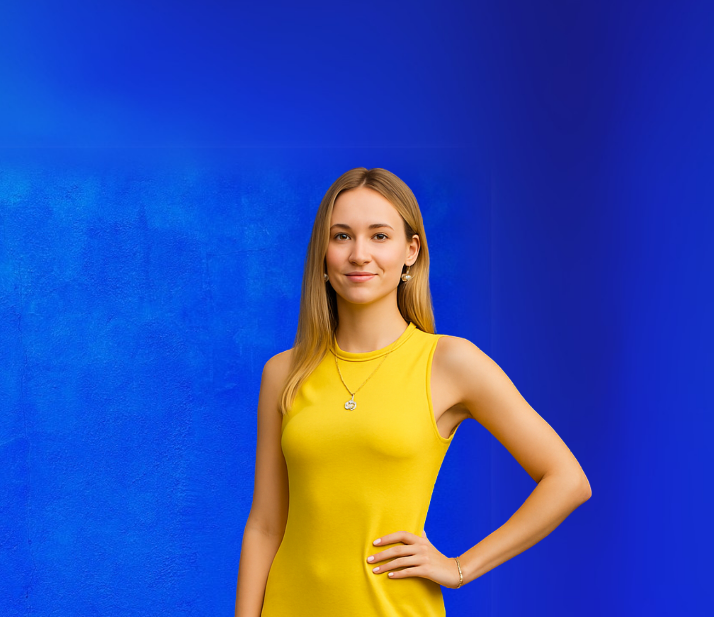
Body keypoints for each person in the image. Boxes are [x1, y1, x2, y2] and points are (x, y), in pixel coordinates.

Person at [235, 167, 592, 616]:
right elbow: (266, 526)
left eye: (379, 236)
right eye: (342, 236)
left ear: (411, 251)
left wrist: (460, 567)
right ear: (322, 255)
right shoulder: (283, 372)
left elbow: (567, 480)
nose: (359, 254)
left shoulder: (449, 363)